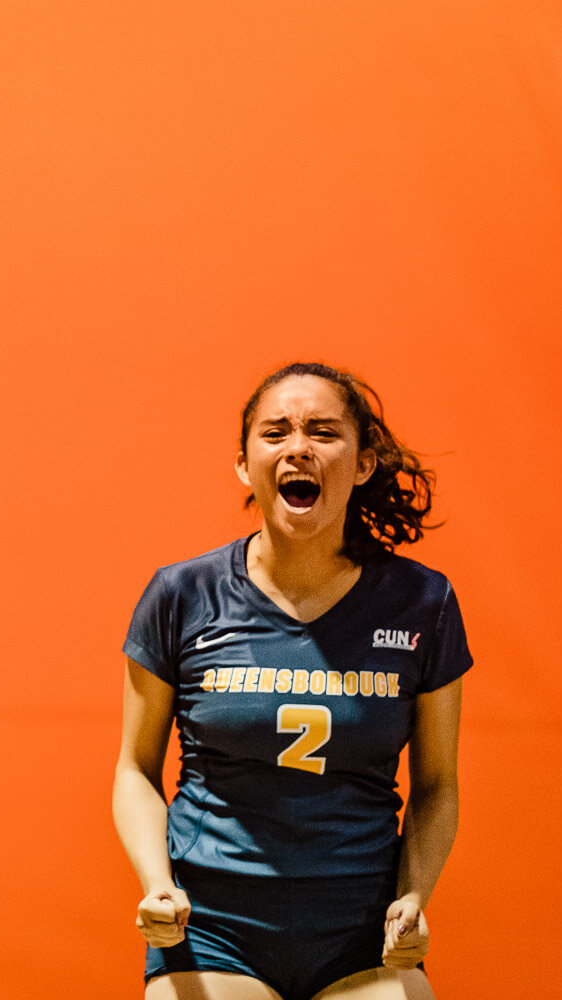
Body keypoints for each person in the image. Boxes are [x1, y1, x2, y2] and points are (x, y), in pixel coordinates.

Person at [112, 363, 469, 1000]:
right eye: (275, 432)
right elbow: (135, 768)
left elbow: (437, 782)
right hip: (214, 925)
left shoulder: (422, 603)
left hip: (361, 931)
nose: (298, 447)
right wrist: (155, 882)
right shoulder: (181, 595)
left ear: (362, 463)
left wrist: (414, 896)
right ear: (245, 466)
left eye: (324, 432)